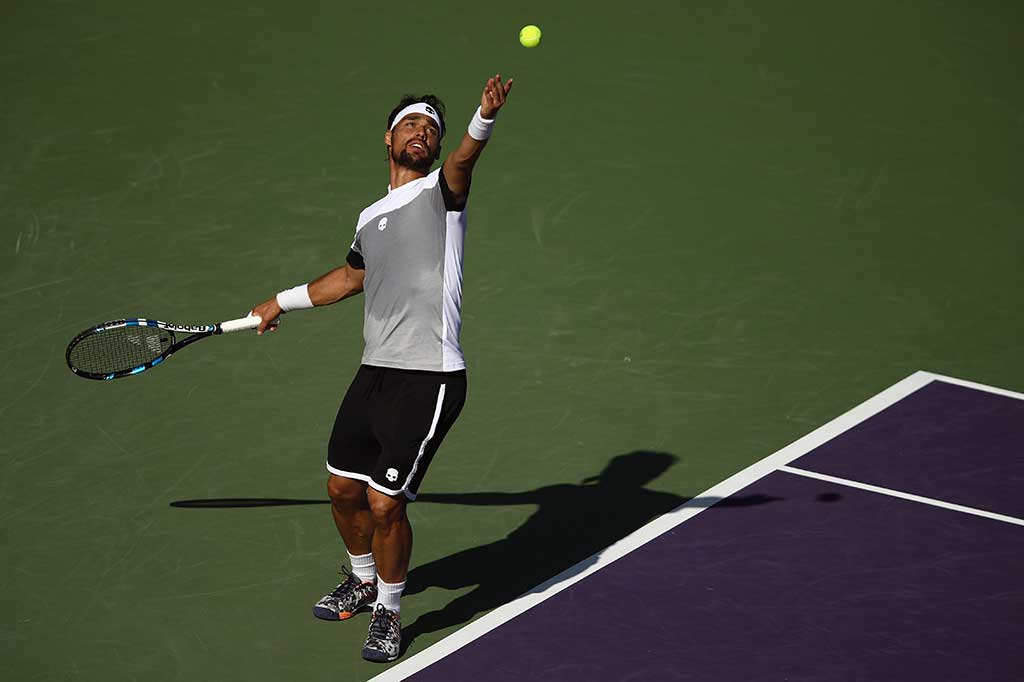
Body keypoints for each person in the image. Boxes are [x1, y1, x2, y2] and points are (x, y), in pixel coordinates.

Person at [249, 74, 513, 663]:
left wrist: (483, 118)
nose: (423, 132)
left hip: (430, 377)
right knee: (342, 489)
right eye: (411, 123)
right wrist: (279, 301)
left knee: (386, 504)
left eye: (432, 129)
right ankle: (364, 579)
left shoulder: (442, 193)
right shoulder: (370, 216)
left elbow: (465, 161)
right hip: (375, 372)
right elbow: (351, 277)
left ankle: (389, 612)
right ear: (388, 139)